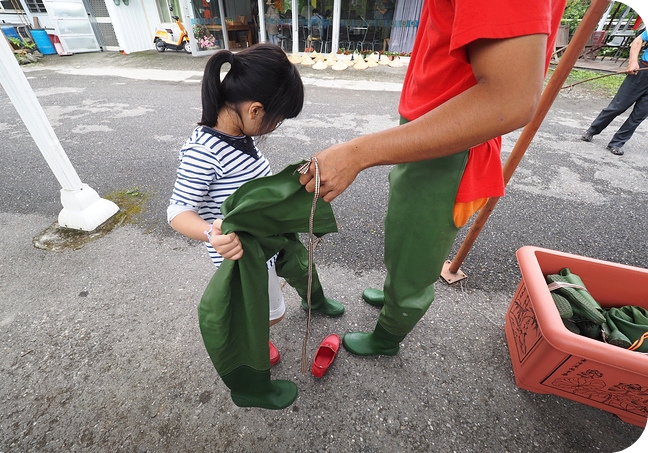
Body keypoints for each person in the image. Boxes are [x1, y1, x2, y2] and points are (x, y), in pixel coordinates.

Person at [298, 0, 567, 357]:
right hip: (429, 134)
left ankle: (389, 334)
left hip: (450, 148)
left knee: (416, 255)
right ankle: (396, 294)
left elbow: (510, 98)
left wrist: (357, 153)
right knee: (402, 235)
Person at [167, 43, 344, 408]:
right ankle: (254, 369)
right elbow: (177, 211)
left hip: (270, 238)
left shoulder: (238, 135)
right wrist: (211, 234)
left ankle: (316, 301)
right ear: (254, 109)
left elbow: (254, 184)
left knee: (299, 264)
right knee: (263, 314)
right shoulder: (203, 152)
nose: (275, 127)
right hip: (244, 254)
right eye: (276, 119)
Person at [581, 30, 648, 156]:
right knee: (618, 106)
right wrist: (633, 62)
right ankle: (591, 130)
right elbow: (638, 40)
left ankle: (617, 143)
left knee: (639, 115)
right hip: (642, 71)